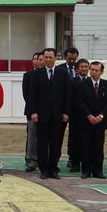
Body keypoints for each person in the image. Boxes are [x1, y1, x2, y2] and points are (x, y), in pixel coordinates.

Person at [26, 48, 71, 179]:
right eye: (45, 57)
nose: (48, 60)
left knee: (56, 143)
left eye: (50, 57)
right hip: (41, 115)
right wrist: (33, 112)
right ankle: (43, 169)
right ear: (43, 58)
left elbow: (67, 94)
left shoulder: (63, 73)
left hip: (58, 115)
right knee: (42, 143)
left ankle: (53, 168)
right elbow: (32, 95)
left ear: (55, 58)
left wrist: (66, 112)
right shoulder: (37, 74)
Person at [76, 61, 107, 179]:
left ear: (101, 72)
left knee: (98, 146)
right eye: (92, 70)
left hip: (100, 122)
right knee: (85, 146)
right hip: (86, 121)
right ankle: (85, 170)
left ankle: (98, 171)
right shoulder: (83, 84)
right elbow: (80, 101)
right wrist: (89, 115)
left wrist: (101, 115)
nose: (93, 72)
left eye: (96, 70)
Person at [56, 47, 79, 163]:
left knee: (75, 135)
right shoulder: (59, 69)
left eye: (74, 59)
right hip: (62, 107)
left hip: (76, 108)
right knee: (59, 134)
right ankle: (56, 157)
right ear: (65, 57)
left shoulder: (79, 69)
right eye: (69, 59)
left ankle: (72, 158)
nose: (71, 61)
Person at [22, 51, 44, 172]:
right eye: (35, 59)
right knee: (32, 136)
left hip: (47, 112)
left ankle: (44, 160)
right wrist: (34, 109)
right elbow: (26, 95)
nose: (38, 61)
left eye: (40, 59)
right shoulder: (28, 75)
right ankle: (31, 160)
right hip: (32, 111)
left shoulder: (49, 74)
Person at [68, 59, 90, 172]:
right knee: (74, 140)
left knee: (86, 140)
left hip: (88, 117)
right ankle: (74, 162)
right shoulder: (72, 82)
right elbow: (71, 99)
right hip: (75, 116)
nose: (84, 69)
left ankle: (86, 162)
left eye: (86, 66)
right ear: (77, 69)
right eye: (82, 67)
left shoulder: (91, 81)